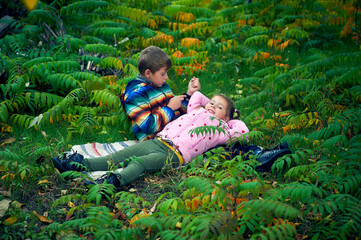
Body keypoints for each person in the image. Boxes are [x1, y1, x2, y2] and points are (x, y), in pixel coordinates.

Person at [52, 91, 249, 187]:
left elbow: (243, 132)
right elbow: (196, 96)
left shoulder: (222, 129)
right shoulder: (196, 109)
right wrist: (212, 103)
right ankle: (80, 164)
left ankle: (113, 181)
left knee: (140, 163)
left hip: (175, 154)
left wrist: (231, 119)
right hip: (159, 140)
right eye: (212, 103)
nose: (212, 107)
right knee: (121, 154)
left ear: (227, 117)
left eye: (219, 107)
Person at [120, 45, 201, 141]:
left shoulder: (161, 85)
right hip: (160, 142)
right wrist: (170, 108)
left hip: (178, 131)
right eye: (163, 74)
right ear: (148, 73)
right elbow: (148, 126)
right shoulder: (135, 95)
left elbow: (179, 108)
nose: (166, 77)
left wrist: (189, 94)